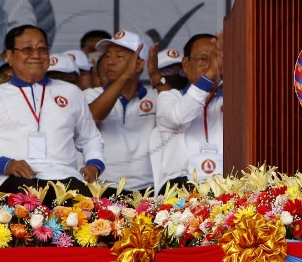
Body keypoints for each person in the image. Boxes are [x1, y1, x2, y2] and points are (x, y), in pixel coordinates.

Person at [0, 25, 104, 201]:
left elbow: (90, 138)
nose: (36, 55)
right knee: (26, 202)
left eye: (42, 48)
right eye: (27, 49)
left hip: (65, 178)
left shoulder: (72, 92)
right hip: (14, 181)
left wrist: (94, 164)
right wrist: (7, 164)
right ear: (9, 56)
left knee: (89, 206)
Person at [84, 30, 156, 192]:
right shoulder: (91, 94)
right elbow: (93, 116)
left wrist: (159, 78)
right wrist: (123, 78)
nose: (110, 61)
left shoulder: (155, 97)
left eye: (119, 56)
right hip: (102, 187)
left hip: (149, 189)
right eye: (108, 56)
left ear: (139, 64)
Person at [152, 33, 222, 194]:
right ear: (186, 64)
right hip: (181, 187)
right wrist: (210, 74)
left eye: (217, 60)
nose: (213, 66)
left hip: (224, 186)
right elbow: (178, 118)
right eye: (204, 59)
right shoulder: (169, 97)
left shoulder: (231, 102)